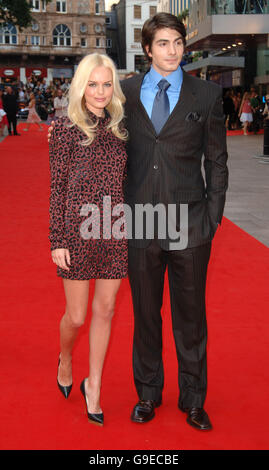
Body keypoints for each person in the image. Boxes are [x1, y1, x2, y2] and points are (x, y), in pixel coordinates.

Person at [48, 13, 228, 431]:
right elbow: (91, 121)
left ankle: (193, 398)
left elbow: (217, 161)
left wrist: (212, 218)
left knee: (191, 317)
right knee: (146, 315)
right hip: (138, 224)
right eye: (163, 43)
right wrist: (61, 128)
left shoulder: (205, 95)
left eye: (178, 42)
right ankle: (148, 394)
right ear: (148, 49)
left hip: (190, 224)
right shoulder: (123, 93)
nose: (172, 51)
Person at [49, 53, 128, 426]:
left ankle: (93, 384)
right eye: (93, 84)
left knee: (106, 310)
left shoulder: (122, 127)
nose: (100, 91)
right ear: (82, 86)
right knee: (77, 316)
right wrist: (57, 240)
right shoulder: (64, 128)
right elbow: (57, 188)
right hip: (77, 231)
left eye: (106, 83)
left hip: (114, 228)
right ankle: (65, 357)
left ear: (114, 86)